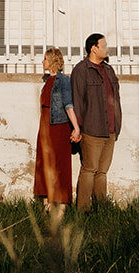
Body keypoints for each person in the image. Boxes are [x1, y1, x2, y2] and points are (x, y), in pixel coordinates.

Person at [69, 31, 121, 211]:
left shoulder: (108, 70)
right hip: (91, 130)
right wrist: (79, 129)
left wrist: (117, 124)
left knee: (102, 173)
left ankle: (101, 210)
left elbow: (116, 99)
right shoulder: (81, 70)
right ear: (94, 48)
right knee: (89, 170)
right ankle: (83, 211)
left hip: (110, 130)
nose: (107, 49)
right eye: (104, 46)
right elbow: (77, 100)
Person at [33, 46, 81, 207]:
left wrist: (76, 128)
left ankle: (61, 204)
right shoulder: (47, 81)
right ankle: (47, 201)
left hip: (58, 127)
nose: (42, 61)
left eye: (45, 58)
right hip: (45, 126)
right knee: (44, 162)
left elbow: (68, 105)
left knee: (59, 163)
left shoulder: (64, 81)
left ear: (52, 61)